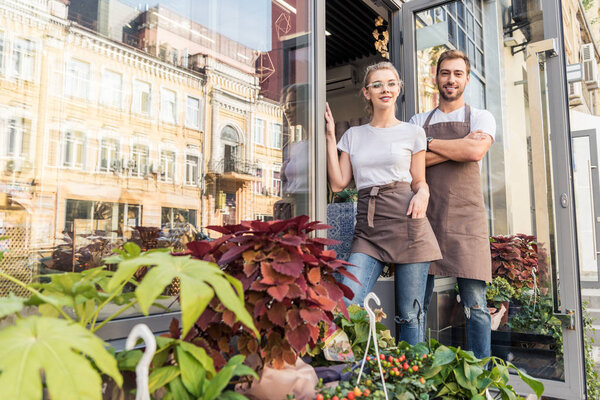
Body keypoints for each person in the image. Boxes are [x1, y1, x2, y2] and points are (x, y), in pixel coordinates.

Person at [325, 62, 442, 345]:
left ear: (399, 89)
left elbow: (418, 180)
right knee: (348, 302)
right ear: (366, 93)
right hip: (368, 227)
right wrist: (330, 137)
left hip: (408, 222)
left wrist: (424, 192)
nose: (384, 89)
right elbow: (338, 183)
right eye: (377, 84)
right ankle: (351, 372)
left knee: (409, 315)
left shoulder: (412, 132)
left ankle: (413, 383)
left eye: (390, 83)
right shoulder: (353, 135)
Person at [409, 49, 495, 359]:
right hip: (425, 218)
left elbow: (475, 153)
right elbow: (411, 164)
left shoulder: (482, 117)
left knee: (476, 306)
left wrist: (427, 145)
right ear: (436, 77)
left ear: (467, 79)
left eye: (458, 74)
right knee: (419, 303)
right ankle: (417, 370)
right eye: (445, 73)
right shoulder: (418, 119)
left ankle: (481, 377)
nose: (451, 79)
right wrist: (459, 146)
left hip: (467, 220)